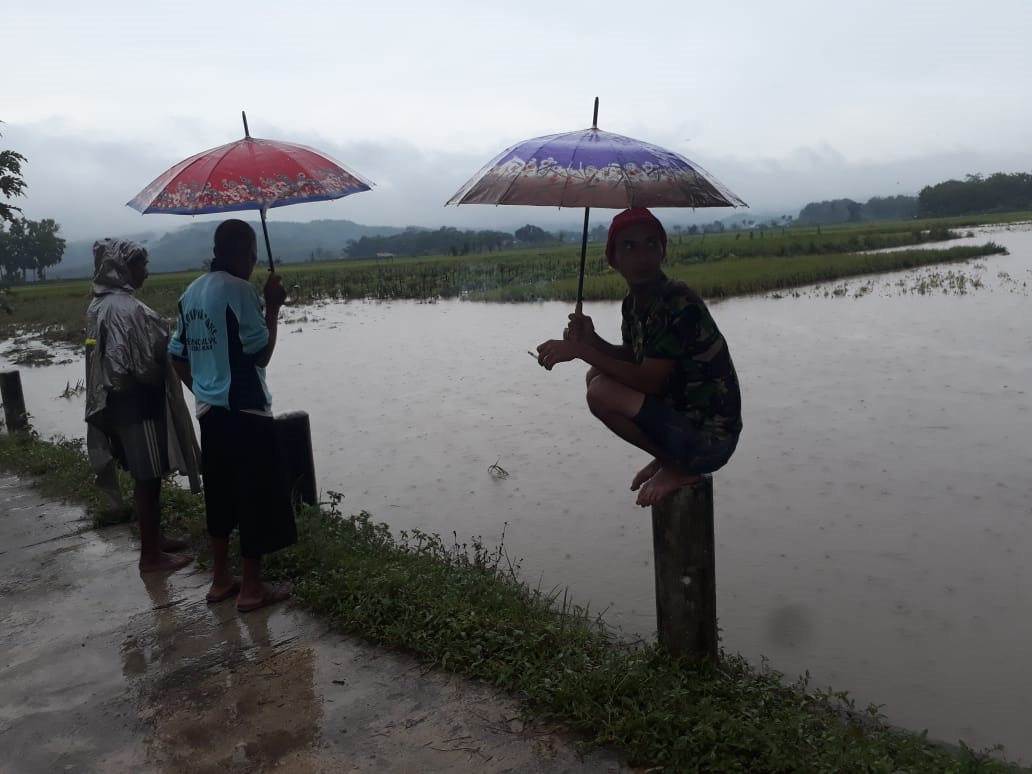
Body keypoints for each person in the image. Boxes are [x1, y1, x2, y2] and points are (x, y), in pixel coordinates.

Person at [536, 208, 742, 507]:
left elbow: (650, 381)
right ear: (613, 259)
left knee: (601, 391)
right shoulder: (634, 303)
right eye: (629, 247)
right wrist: (592, 340)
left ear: (662, 250)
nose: (642, 256)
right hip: (683, 423)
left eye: (650, 244)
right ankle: (668, 457)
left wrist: (581, 350)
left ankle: (681, 466)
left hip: (710, 440)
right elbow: (634, 359)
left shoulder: (677, 302)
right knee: (595, 375)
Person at [169, 219, 297, 612]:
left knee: (221, 495)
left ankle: (221, 581)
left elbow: (177, 355)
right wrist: (272, 306)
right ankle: (253, 588)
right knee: (254, 495)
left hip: (211, 413)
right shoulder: (239, 291)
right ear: (244, 252)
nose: (254, 263)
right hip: (246, 409)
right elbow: (260, 354)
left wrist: (204, 393)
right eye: (253, 255)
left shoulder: (190, 293)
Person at [84, 238, 196, 573]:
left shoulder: (99, 305)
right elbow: (138, 367)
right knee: (148, 479)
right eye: (141, 265)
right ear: (124, 267)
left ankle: (155, 539)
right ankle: (151, 556)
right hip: (137, 406)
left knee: (145, 477)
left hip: (116, 406)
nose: (147, 271)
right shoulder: (126, 309)